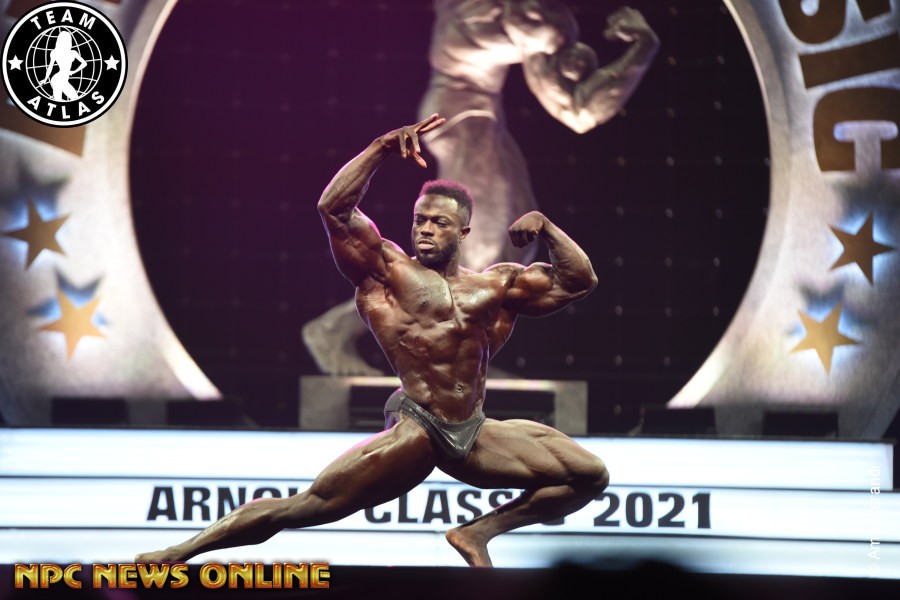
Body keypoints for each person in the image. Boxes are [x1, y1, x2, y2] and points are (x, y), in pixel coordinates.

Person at [136, 114, 608, 567]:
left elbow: (579, 281)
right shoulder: (387, 271)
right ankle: (178, 553)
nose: (425, 229)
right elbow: (333, 210)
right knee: (308, 506)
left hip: (472, 429)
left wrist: (546, 227)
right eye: (420, 219)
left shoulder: (498, 285)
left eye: (439, 223)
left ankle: (476, 533)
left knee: (589, 476)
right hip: (418, 423)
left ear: (464, 231)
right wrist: (381, 148)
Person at [303, 1, 658, 376]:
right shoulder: (532, 16)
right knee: (473, 253)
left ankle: (467, 353)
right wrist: (643, 48)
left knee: (513, 241)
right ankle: (339, 331)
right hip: (466, 117)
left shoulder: (521, 14)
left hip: (472, 113)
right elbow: (579, 111)